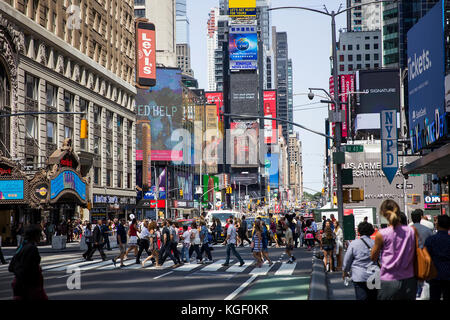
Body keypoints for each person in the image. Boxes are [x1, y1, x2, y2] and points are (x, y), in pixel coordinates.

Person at [371, 199, 417, 300]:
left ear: (383, 214)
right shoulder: (411, 231)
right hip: (409, 279)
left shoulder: (382, 234)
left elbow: (373, 257)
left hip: (388, 280)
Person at [8, 224, 48, 300]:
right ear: (35, 236)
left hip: (20, 285)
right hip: (30, 288)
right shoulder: (32, 248)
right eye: (39, 235)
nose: (40, 237)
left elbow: (11, 267)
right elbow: (29, 269)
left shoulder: (21, 246)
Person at [342, 222, 379, 300]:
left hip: (359, 276)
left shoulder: (354, 244)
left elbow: (347, 260)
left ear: (359, 232)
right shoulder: (375, 243)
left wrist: (345, 271)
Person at [424, 215, 450, 301]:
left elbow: (426, 258)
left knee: (434, 297)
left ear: (437, 225)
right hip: (448, 274)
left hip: (435, 274)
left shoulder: (430, 240)